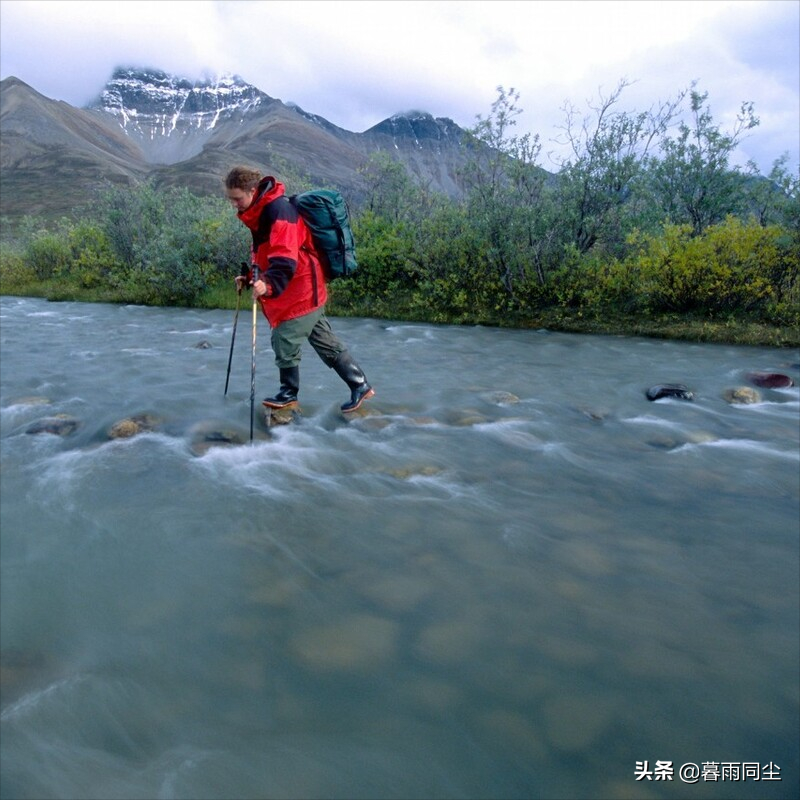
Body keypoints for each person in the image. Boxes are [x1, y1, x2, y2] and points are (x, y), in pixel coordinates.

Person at [224, 166, 374, 413]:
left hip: (302, 286)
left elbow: (285, 259)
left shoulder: (279, 210)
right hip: (301, 286)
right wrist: (251, 278)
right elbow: (264, 255)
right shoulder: (259, 212)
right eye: (231, 199)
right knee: (325, 341)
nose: (234, 204)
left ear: (252, 191)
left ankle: (288, 393)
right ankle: (360, 385)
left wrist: (268, 284)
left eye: (237, 198)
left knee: (284, 337)